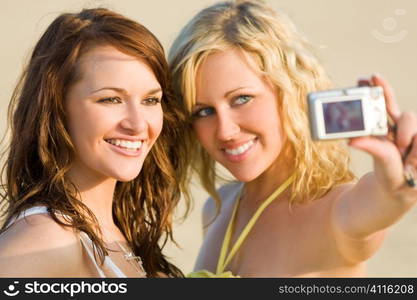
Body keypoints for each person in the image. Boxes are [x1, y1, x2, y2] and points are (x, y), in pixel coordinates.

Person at [169, 0, 417, 277]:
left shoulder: (335, 213)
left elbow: (381, 201)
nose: (225, 130)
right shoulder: (217, 209)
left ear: (291, 92)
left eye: (241, 99)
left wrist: (399, 190)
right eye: (203, 111)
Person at [0, 7, 189, 277]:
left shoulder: (115, 231)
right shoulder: (47, 238)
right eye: (110, 99)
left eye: (150, 100)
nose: (138, 124)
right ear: (57, 108)